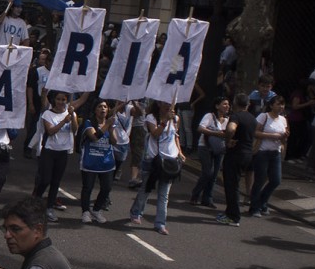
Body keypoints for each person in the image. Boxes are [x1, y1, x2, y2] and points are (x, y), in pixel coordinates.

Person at [128, 101, 184, 235]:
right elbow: (155, 134)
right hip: (153, 160)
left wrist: (180, 152)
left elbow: (175, 137)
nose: (168, 106)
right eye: (165, 103)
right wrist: (165, 121)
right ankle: (136, 212)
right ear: (159, 104)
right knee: (146, 189)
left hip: (170, 161)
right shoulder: (151, 118)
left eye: (171, 104)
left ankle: (160, 223)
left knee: (164, 195)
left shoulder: (176, 119)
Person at [31, 91, 82, 222]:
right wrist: (63, 121)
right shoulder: (47, 114)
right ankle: (35, 200)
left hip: (62, 152)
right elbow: (51, 131)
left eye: (63, 99)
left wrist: (72, 116)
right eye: (58, 99)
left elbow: (75, 130)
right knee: (45, 179)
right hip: (49, 151)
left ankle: (49, 208)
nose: (61, 102)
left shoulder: (71, 114)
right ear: (54, 100)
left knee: (56, 182)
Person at [217, 95, 257, 227]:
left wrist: (228, 140)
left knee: (231, 185)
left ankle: (234, 217)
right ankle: (229, 212)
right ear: (248, 104)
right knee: (234, 183)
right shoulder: (252, 118)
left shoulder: (236, 116)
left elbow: (231, 128)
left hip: (235, 155)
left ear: (235, 103)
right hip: (247, 154)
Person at [248, 95, 289, 218]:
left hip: (275, 153)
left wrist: (284, 137)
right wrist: (273, 136)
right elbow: (255, 132)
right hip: (262, 152)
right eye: (278, 104)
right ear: (271, 105)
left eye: (282, 104)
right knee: (260, 180)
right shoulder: (263, 116)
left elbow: (285, 134)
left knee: (276, 180)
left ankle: (262, 201)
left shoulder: (283, 119)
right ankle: (254, 207)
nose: (281, 107)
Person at [78, 100, 116, 224]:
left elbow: (114, 141)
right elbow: (94, 137)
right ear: (95, 110)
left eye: (105, 107)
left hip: (106, 162)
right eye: (100, 106)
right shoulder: (89, 123)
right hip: (91, 160)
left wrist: (110, 129)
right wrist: (107, 125)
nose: (103, 109)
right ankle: (85, 212)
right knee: (87, 187)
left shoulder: (110, 124)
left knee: (107, 187)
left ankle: (97, 209)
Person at [189, 97, 230, 208]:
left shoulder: (227, 121)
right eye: (224, 104)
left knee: (214, 175)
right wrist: (216, 133)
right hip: (205, 147)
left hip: (218, 149)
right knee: (208, 172)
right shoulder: (209, 116)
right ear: (217, 106)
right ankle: (195, 194)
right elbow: (200, 129)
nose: (227, 106)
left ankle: (207, 198)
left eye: (228, 104)